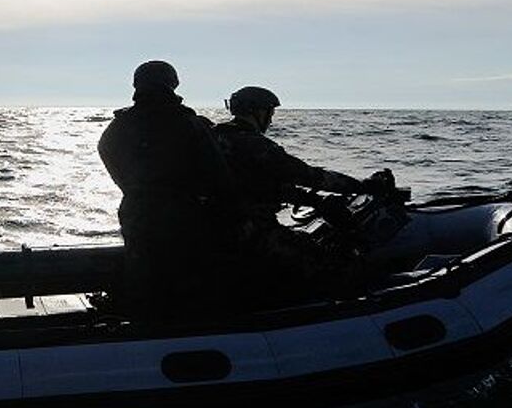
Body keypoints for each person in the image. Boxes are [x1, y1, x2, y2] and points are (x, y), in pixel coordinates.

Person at [212, 85, 398, 303]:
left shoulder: (217, 138)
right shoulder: (253, 144)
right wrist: (362, 186)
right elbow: (306, 175)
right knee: (333, 265)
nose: (271, 120)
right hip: (251, 229)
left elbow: (254, 184)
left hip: (226, 224)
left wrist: (309, 199)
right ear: (258, 112)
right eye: (270, 113)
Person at [97, 60, 249, 318]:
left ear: (137, 86)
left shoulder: (117, 127)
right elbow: (219, 178)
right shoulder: (190, 124)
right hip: (185, 217)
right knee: (191, 287)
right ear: (173, 84)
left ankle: (143, 330)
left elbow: (111, 161)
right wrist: (237, 217)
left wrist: (136, 191)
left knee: (144, 280)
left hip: (137, 213)